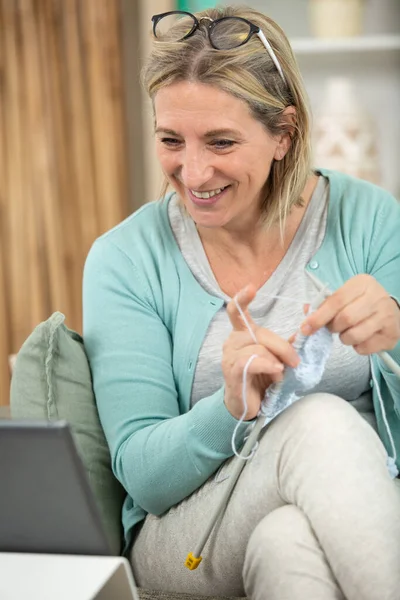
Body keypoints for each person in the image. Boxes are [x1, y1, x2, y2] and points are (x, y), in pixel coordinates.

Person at [83, 6, 400, 599]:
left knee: (288, 544)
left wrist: (398, 327)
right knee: (319, 419)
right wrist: (230, 406)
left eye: (221, 141)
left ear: (284, 132)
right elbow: (145, 478)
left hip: (357, 507)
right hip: (188, 532)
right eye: (170, 140)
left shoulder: (371, 217)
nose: (193, 171)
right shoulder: (125, 260)